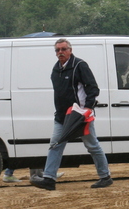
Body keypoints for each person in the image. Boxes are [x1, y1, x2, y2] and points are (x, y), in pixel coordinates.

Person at [30, 39, 112, 191]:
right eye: (57, 50)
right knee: (55, 145)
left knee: (92, 146)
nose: (60, 52)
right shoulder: (56, 69)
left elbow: (93, 88)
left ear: (70, 50)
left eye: (63, 49)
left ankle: (105, 177)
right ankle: (49, 179)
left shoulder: (80, 66)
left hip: (80, 117)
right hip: (61, 117)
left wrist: (87, 108)